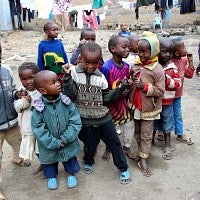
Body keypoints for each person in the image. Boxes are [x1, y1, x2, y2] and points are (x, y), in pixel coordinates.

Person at [62, 42, 131, 184]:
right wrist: (67, 77)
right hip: (85, 119)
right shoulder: (73, 73)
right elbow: (71, 95)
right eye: (87, 62)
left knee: (114, 143)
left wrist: (119, 89)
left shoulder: (101, 78)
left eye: (95, 63)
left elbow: (106, 99)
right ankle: (88, 161)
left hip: (103, 118)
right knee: (89, 144)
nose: (91, 66)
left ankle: (123, 168)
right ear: (80, 58)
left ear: (100, 61)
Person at [31, 70, 82, 190]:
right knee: (50, 162)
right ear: (43, 90)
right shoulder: (38, 108)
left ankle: (71, 174)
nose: (58, 83)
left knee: (69, 158)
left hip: (67, 141)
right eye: (53, 83)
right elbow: (38, 129)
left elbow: (75, 121)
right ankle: (51, 176)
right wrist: (53, 142)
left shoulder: (66, 102)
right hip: (49, 144)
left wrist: (65, 138)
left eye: (57, 80)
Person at [129, 33, 165, 176]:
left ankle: (144, 159)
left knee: (146, 134)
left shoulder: (158, 69)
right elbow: (131, 81)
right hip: (135, 107)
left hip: (149, 108)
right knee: (136, 132)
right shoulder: (136, 65)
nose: (141, 54)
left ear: (154, 51)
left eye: (145, 52)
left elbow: (161, 91)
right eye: (139, 51)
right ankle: (142, 151)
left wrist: (144, 86)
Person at [100, 35, 137, 161]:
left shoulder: (126, 66)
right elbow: (103, 88)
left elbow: (127, 83)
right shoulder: (106, 67)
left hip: (122, 103)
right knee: (110, 128)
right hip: (110, 104)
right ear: (113, 49)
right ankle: (108, 148)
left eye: (129, 47)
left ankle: (126, 147)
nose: (128, 50)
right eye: (124, 47)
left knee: (129, 125)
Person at [0, 40, 28, 200]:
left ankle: (17, 158)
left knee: (19, 143)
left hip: (11, 121)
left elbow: (11, 90)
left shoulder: (5, 70)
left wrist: (17, 94)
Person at [153, 38, 181, 160]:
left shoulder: (172, 68)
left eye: (170, 52)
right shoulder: (154, 66)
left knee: (167, 122)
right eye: (164, 51)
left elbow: (177, 84)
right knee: (153, 121)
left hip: (167, 102)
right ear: (157, 51)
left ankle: (167, 144)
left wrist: (166, 79)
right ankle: (150, 141)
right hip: (154, 102)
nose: (168, 54)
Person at [14, 62, 43, 172]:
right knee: (34, 148)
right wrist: (23, 102)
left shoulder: (41, 89)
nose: (28, 81)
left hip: (42, 126)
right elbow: (17, 108)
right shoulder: (22, 91)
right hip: (28, 126)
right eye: (24, 79)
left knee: (42, 148)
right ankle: (42, 164)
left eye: (31, 77)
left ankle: (46, 165)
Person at [171, 37, 195, 144]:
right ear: (176, 53)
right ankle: (160, 131)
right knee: (165, 114)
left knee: (177, 113)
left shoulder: (184, 60)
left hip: (177, 95)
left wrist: (190, 62)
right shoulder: (169, 62)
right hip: (166, 95)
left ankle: (179, 133)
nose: (186, 49)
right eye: (183, 47)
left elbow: (189, 75)